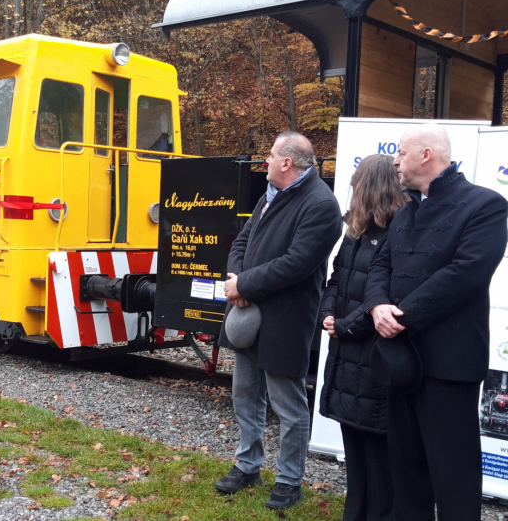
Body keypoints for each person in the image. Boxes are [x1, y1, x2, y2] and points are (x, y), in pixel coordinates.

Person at [364, 124, 508, 521]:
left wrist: (401, 317)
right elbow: (381, 265)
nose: (394, 161)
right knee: (406, 468)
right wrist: (377, 306)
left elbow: (466, 274)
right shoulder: (406, 211)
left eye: (402, 154)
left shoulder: (486, 205)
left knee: (453, 474)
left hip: (449, 364)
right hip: (401, 361)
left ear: (427, 154)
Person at [215, 132, 342, 509]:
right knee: (245, 396)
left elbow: (296, 264)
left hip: (285, 320)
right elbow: (241, 242)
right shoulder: (270, 195)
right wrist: (237, 282)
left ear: (287, 162)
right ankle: (247, 465)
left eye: (270, 156)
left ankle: (289, 480)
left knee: (288, 405)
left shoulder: (321, 204)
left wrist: (245, 286)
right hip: (248, 312)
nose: (265, 161)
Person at [319, 154, 405, 521]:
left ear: (369, 187)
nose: (350, 189)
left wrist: (344, 325)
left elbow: (386, 299)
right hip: (345, 359)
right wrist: (326, 314)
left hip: (373, 360)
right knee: (353, 447)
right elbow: (335, 280)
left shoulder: (397, 234)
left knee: (378, 455)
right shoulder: (353, 233)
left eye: (355, 183)